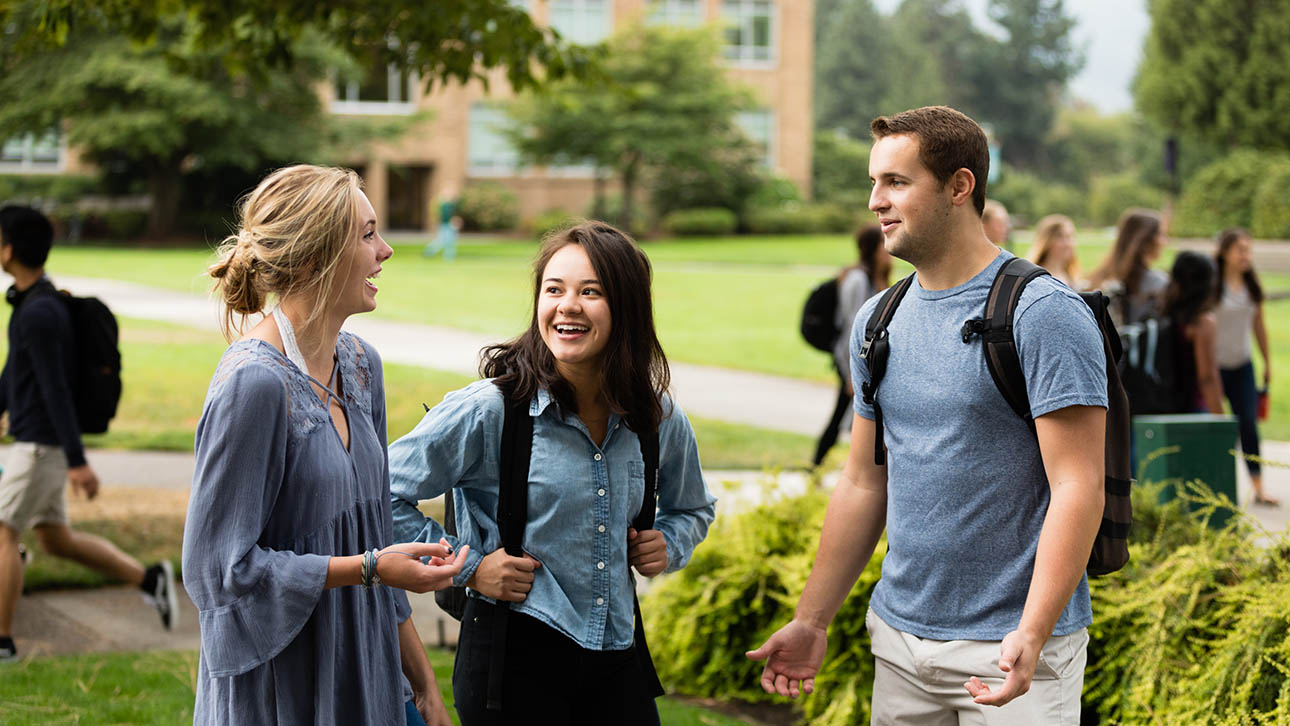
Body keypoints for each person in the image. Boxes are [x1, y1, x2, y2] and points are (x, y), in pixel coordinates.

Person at [747, 106, 1107, 725]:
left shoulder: (1042, 312)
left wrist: (1034, 629)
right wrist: (811, 619)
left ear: (959, 187)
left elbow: (1079, 484)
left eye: (896, 182)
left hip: (1014, 651)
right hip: (901, 643)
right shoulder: (878, 320)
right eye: (873, 182)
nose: (875, 201)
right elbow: (864, 480)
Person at [389, 221, 716, 725]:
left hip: (619, 655)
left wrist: (669, 542)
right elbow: (380, 494)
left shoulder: (659, 419)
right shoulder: (489, 411)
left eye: (592, 291)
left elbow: (693, 508)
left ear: (627, 308)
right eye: (554, 289)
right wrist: (471, 566)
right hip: (511, 658)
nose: (567, 306)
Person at [184, 165, 467, 725]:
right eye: (366, 235)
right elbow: (216, 570)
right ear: (315, 258)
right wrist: (365, 567)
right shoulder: (254, 385)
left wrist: (425, 687)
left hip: (367, 672)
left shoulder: (361, 365)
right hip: (281, 684)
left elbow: (376, 542)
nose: (385, 250)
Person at [0, 205, 176, 663]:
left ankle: (3, 643)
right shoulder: (30, 304)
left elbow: (56, 390)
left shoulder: (40, 313)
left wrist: (77, 461)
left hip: (41, 445)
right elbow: (13, 374)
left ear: (10, 248)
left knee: (2, 533)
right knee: (57, 540)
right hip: (38, 441)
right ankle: (149, 580)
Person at [813, 224, 891, 466]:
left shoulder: (878, 277)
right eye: (883, 242)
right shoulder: (857, 279)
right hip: (853, 361)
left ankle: (819, 466)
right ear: (872, 249)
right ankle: (817, 466)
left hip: (869, 362)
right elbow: (852, 328)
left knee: (848, 416)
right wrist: (850, 373)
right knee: (843, 416)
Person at [1214, 229, 1275, 505]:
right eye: (1240, 249)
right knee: (1216, 426)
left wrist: (1267, 361)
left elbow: (1259, 326)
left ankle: (1258, 487)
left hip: (1242, 366)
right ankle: (1216, 488)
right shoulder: (1213, 286)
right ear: (1225, 252)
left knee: (1248, 424)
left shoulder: (1252, 286)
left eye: (1248, 250)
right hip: (1213, 369)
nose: (1245, 256)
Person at [1162, 251, 1225, 417]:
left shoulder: (1164, 312)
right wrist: (1221, 420)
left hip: (1162, 406)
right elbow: (1207, 377)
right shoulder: (1202, 322)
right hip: (1193, 408)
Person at [1087, 209, 1168, 326]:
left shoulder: (1099, 279)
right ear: (1146, 240)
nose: (1165, 241)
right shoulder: (1157, 283)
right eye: (1161, 234)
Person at [1028, 214, 1079, 288]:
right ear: (1047, 240)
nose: (1068, 243)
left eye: (1070, 237)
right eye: (1060, 237)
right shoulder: (1036, 276)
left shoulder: (1072, 275)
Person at [421, 184, 461, 261]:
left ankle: (449, 257)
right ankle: (429, 251)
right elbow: (445, 216)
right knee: (442, 241)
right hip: (446, 225)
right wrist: (452, 221)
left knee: (450, 242)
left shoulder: (452, 203)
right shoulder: (444, 204)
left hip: (450, 225)